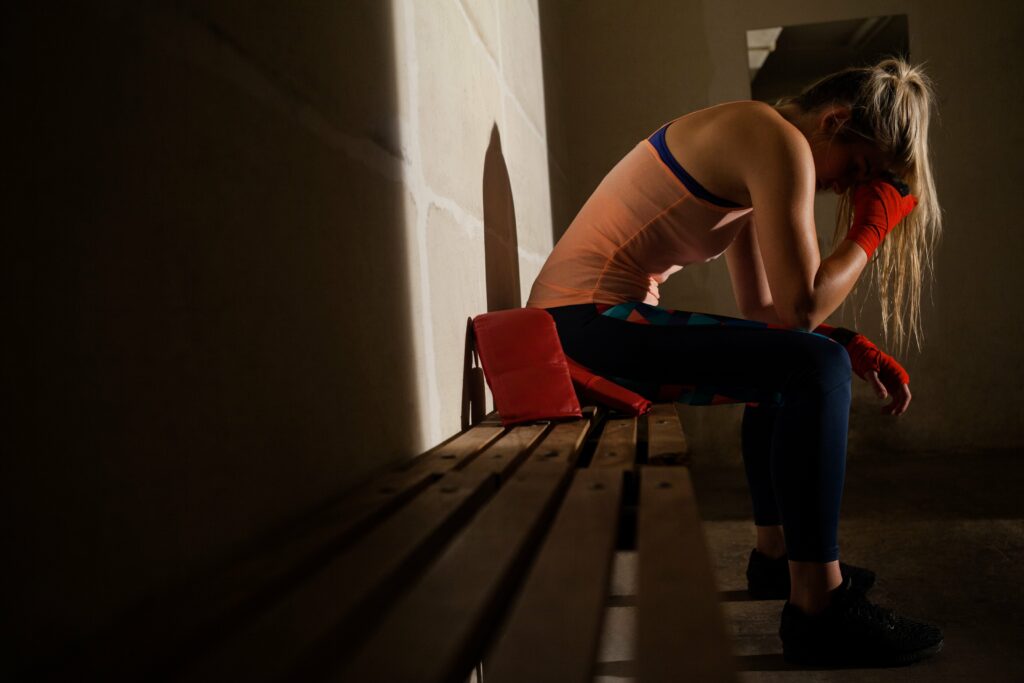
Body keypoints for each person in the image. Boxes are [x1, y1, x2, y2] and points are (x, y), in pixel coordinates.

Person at [526, 57, 943, 667]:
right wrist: (871, 230)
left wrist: (847, 339)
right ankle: (818, 608)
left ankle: (777, 559)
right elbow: (799, 314)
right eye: (858, 169)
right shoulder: (773, 140)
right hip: (583, 325)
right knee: (815, 368)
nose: (849, 189)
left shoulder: (760, 142)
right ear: (835, 121)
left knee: (803, 365)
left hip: (590, 323)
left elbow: (767, 313)